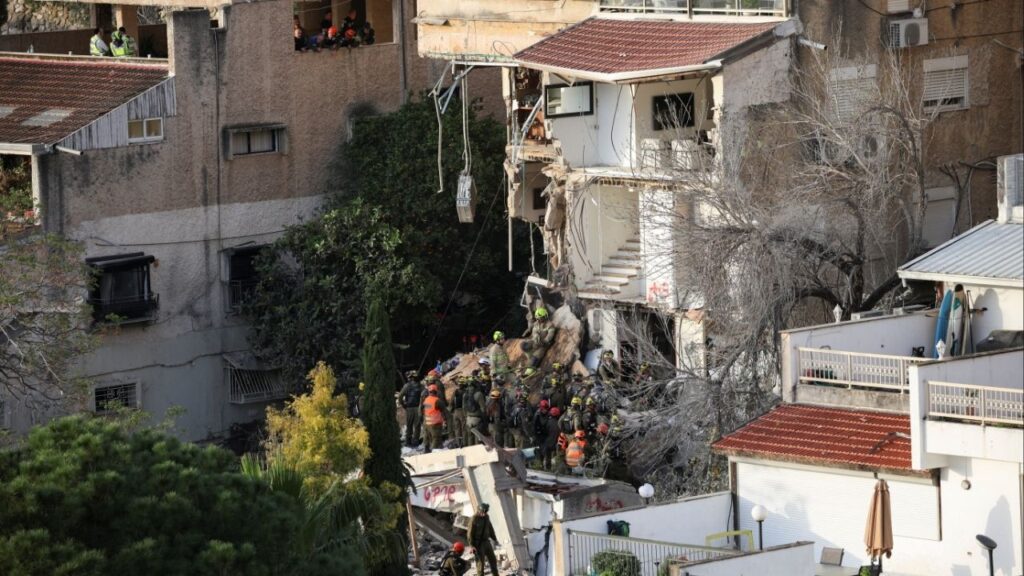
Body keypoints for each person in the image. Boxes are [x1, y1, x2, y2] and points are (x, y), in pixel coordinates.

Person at [467, 503, 499, 576]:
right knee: (480, 564)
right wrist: (472, 545)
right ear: (479, 511)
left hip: (487, 542)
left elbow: (490, 528)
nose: (484, 514)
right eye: (482, 512)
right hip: (478, 544)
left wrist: (494, 539)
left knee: (493, 560)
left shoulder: (486, 517)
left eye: (485, 512)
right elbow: (469, 534)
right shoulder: (474, 519)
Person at [421, 384, 448, 453]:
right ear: (436, 391)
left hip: (427, 423)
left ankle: (426, 451)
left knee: (428, 438)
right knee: (436, 438)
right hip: (435, 423)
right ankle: (433, 453)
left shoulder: (426, 400)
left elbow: (423, 410)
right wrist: (446, 421)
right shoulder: (437, 401)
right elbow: (444, 411)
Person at [399, 372, 423, 447]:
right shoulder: (420, 385)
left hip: (409, 408)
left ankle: (408, 441)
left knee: (409, 425)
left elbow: (400, 396)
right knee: (417, 425)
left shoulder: (406, 386)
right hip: (417, 407)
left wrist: (404, 405)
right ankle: (415, 441)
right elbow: (425, 394)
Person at [464, 378, 486, 447]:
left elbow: (463, 407)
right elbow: (483, 408)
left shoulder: (465, 394)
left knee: (470, 437)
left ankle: (470, 452)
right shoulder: (479, 394)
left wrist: (466, 417)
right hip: (477, 419)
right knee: (478, 437)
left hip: (468, 419)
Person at [539, 406, 560, 471]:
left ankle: (547, 468)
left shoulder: (547, 422)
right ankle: (555, 469)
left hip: (547, 443)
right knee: (555, 457)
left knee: (547, 456)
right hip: (556, 443)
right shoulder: (558, 423)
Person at [451, 376, 469, 448]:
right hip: (462, 411)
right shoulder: (466, 392)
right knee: (464, 428)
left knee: (457, 429)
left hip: (455, 412)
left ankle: (459, 443)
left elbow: (451, 402)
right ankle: (464, 443)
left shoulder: (455, 392)